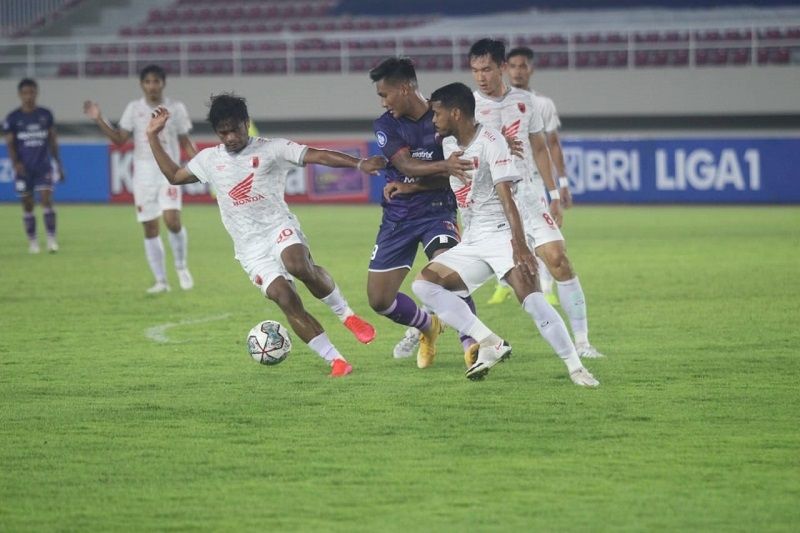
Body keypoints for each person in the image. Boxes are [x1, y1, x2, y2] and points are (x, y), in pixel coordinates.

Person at [145, 93, 382, 377]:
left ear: (247, 124)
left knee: (297, 264)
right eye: (223, 132)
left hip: (278, 227)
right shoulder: (209, 159)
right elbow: (174, 175)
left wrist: (358, 164)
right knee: (284, 297)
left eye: (236, 129)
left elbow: (317, 155)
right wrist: (152, 137)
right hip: (249, 248)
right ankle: (336, 360)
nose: (231, 137)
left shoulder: (272, 149)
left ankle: (347, 316)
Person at [406, 82, 598, 386]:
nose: (434, 120)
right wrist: (408, 187)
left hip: (502, 235)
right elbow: (449, 181)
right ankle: (491, 342)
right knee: (425, 285)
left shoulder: (492, 141)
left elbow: (507, 196)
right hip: (473, 239)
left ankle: (576, 367)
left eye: (438, 114)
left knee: (533, 301)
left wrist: (521, 246)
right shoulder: (448, 145)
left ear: (455, 113)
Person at [469, 38, 605, 360]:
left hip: (528, 196)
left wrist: (555, 193)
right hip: (489, 202)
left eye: (487, 69)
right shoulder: (468, 106)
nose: (481, 77)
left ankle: (583, 343)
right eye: (475, 70)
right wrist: (494, 143)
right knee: (464, 277)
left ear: (501, 67)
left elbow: (541, 148)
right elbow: (460, 154)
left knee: (559, 259)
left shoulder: (526, 103)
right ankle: (421, 324)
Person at [367, 57, 476, 368]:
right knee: (379, 300)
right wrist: (445, 166)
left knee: (448, 270)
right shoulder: (386, 124)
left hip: (437, 210)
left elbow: (459, 173)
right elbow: (405, 166)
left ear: (404, 89)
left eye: (385, 94)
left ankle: (472, 344)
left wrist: (421, 184)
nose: (383, 102)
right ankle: (427, 325)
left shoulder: (442, 116)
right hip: (397, 216)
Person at [83, 64, 196, 294]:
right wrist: (98, 119)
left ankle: (181, 266)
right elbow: (119, 139)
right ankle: (161, 281)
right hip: (143, 174)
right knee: (150, 227)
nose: (152, 86)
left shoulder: (176, 108)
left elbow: (185, 141)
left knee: (172, 220)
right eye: (148, 81)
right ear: (142, 84)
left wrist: (201, 166)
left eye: (156, 81)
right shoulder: (134, 109)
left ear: (163, 83)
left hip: (170, 171)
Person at [487, 46, 571, 306]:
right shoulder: (486, 104)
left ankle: (546, 289)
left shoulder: (541, 104)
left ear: (531, 69)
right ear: (505, 68)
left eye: (523, 66)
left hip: (531, 183)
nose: (517, 71)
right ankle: (503, 285)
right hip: (498, 184)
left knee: (542, 238)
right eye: (512, 66)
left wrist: (560, 185)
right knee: (502, 236)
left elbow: (549, 145)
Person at [3, 78, 64, 253]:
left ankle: (52, 240)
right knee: (27, 204)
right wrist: (15, 163)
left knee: (46, 200)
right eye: (25, 93)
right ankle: (33, 242)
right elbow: (10, 144)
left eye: (31, 92)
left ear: (36, 93)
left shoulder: (45, 115)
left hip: (43, 166)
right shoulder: (13, 118)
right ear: (19, 95)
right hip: (24, 168)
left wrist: (58, 163)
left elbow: (53, 141)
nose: (28, 96)